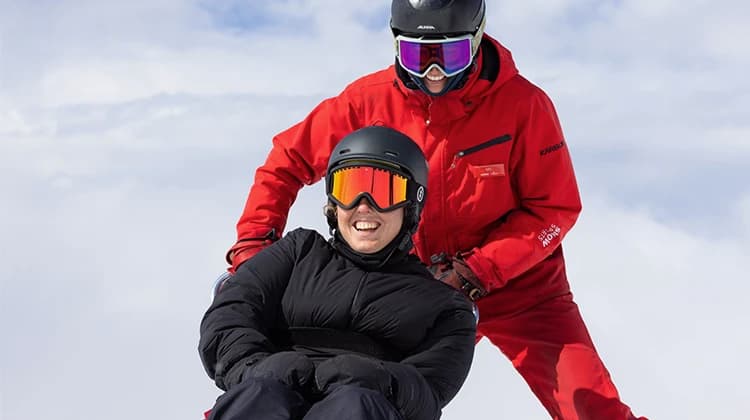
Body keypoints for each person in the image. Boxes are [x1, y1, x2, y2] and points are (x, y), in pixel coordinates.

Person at [224, 1, 646, 419]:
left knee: (591, 406)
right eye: (417, 54)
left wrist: (477, 271)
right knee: (325, 390)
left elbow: (554, 209)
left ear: (477, 40)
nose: (434, 72)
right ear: (395, 45)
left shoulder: (524, 106)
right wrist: (253, 245)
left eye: (450, 54)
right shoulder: (366, 102)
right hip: (414, 287)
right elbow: (285, 162)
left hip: (523, 289)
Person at [200, 126, 477, 420]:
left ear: (410, 204)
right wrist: (255, 368)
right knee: (260, 395)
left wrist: (378, 379)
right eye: (348, 189)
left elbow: (428, 392)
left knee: (354, 405)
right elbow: (230, 313)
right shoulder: (298, 253)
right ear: (333, 203)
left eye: (384, 190)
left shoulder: (444, 307)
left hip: (363, 407)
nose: (363, 206)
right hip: (270, 395)